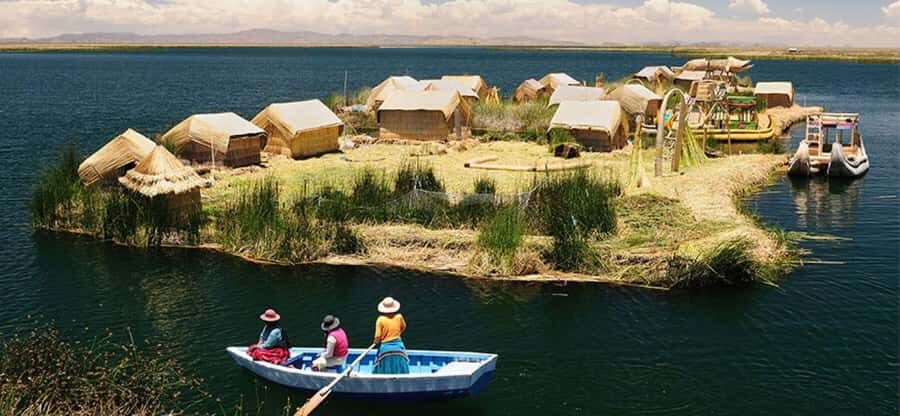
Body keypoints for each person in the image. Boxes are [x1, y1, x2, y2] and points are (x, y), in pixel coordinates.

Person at [372, 297, 409, 374]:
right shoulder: (399, 316)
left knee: (378, 359)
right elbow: (404, 327)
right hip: (398, 345)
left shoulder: (380, 319)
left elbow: (377, 337)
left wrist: (375, 342)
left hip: (385, 346)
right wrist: (397, 333)